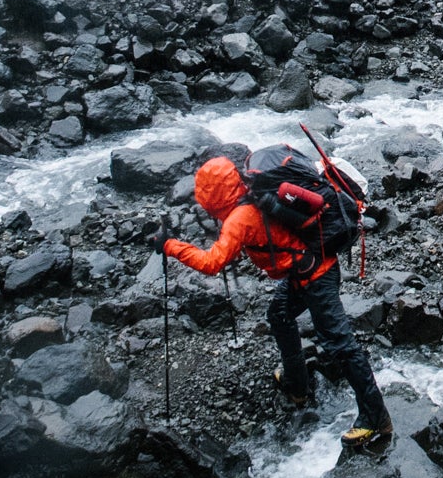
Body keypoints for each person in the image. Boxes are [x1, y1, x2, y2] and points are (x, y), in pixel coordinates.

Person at [162, 154, 393, 455]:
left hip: (317, 276)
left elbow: (212, 262)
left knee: (340, 345)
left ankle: (376, 418)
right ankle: (297, 385)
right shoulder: (254, 192)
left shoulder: (239, 218)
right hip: (306, 270)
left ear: (213, 197)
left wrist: (170, 245)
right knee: (279, 315)